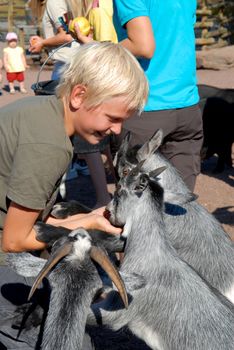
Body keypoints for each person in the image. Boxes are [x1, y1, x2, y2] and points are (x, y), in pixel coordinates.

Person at [0, 41, 148, 253]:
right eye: (112, 118)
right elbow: (14, 241)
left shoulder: (46, 112)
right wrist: (87, 225)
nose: (117, 130)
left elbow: (32, 220)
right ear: (79, 96)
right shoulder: (50, 146)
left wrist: (90, 218)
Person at [30, 0, 118, 208]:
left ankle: (99, 197)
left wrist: (43, 42)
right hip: (77, 62)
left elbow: (66, 35)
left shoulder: (53, 2)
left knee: (72, 132)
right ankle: (105, 191)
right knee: (89, 132)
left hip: (69, 66)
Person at [112, 0, 203, 192]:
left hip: (145, 107)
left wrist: (103, 51)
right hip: (187, 106)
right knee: (180, 206)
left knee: (135, 206)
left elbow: (143, 46)